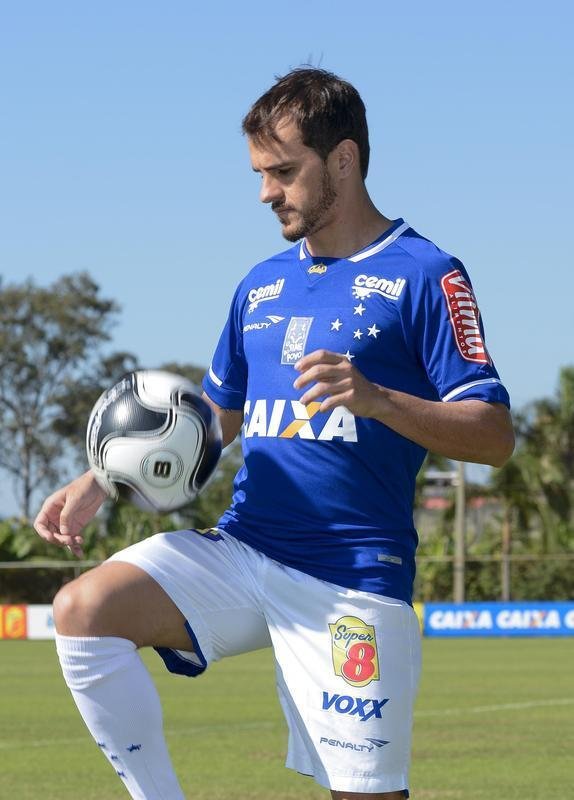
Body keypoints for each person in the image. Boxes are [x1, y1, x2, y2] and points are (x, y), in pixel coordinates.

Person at [34, 67, 514, 800]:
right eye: (261, 173)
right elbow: (213, 418)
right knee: (84, 611)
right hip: (244, 549)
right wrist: (102, 476)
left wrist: (380, 399)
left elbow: (494, 433)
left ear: (344, 160)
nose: (266, 192)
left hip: (351, 577)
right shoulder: (258, 285)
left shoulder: (427, 274)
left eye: (284, 171)